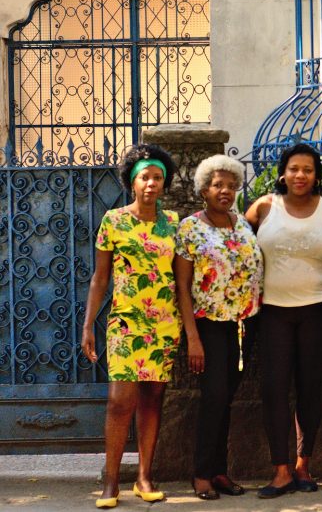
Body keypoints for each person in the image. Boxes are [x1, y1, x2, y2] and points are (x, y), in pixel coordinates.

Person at [81, 144, 187, 509]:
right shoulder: (113, 221)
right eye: (145, 177)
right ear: (132, 182)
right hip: (125, 323)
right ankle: (111, 480)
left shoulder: (173, 224)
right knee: (119, 402)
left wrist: (188, 329)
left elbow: (181, 280)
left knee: (153, 399)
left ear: (164, 183)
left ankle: (144, 477)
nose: (151, 183)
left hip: (164, 323)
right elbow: (100, 278)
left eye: (158, 177)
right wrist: (88, 325)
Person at [245, 143, 322, 499]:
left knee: (310, 389)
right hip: (272, 312)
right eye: (293, 169)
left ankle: (304, 465)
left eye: (307, 169)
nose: (300, 175)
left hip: (318, 311)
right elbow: (233, 242)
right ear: (282, 174)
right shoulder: (263, 208)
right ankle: (281, 470)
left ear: (316, 175)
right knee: (274, 390)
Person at [174, 155, 263, 500]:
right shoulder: (190, 228)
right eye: (217, 185)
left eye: (230, 185)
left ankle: (220, 471)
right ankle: (201, 474)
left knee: (227, 398)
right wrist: (193, 338)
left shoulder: (243, 225)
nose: (224, 191)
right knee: (213, 397)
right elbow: (183, 287)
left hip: (244, 324)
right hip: (208, 325)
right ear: (204, 190)